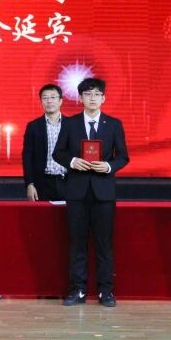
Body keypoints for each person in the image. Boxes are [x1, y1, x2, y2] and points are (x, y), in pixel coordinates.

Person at [53, 78, 129, 307]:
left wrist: (109, 166)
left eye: (97, 94)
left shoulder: (113, 124)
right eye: (87, 94)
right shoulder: (70, 123)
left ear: (103, 98)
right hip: (77, 191)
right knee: (77, 243)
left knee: (104, 244)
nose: (92, 98)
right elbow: (58, 153)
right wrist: (73, 161)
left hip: (104, 191)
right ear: (80, 98)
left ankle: (106, 291)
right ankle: (77, 290)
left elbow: (123, 157)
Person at [22, 83, 67, 202]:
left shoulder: (72, 124)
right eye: (45, 98)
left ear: (60, 101)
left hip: (68, 182)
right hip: (42, 183)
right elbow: (27, 157)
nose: (49, 101)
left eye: (53, 97)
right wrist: (30, 184)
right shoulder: (33, 126)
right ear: (41, 102)